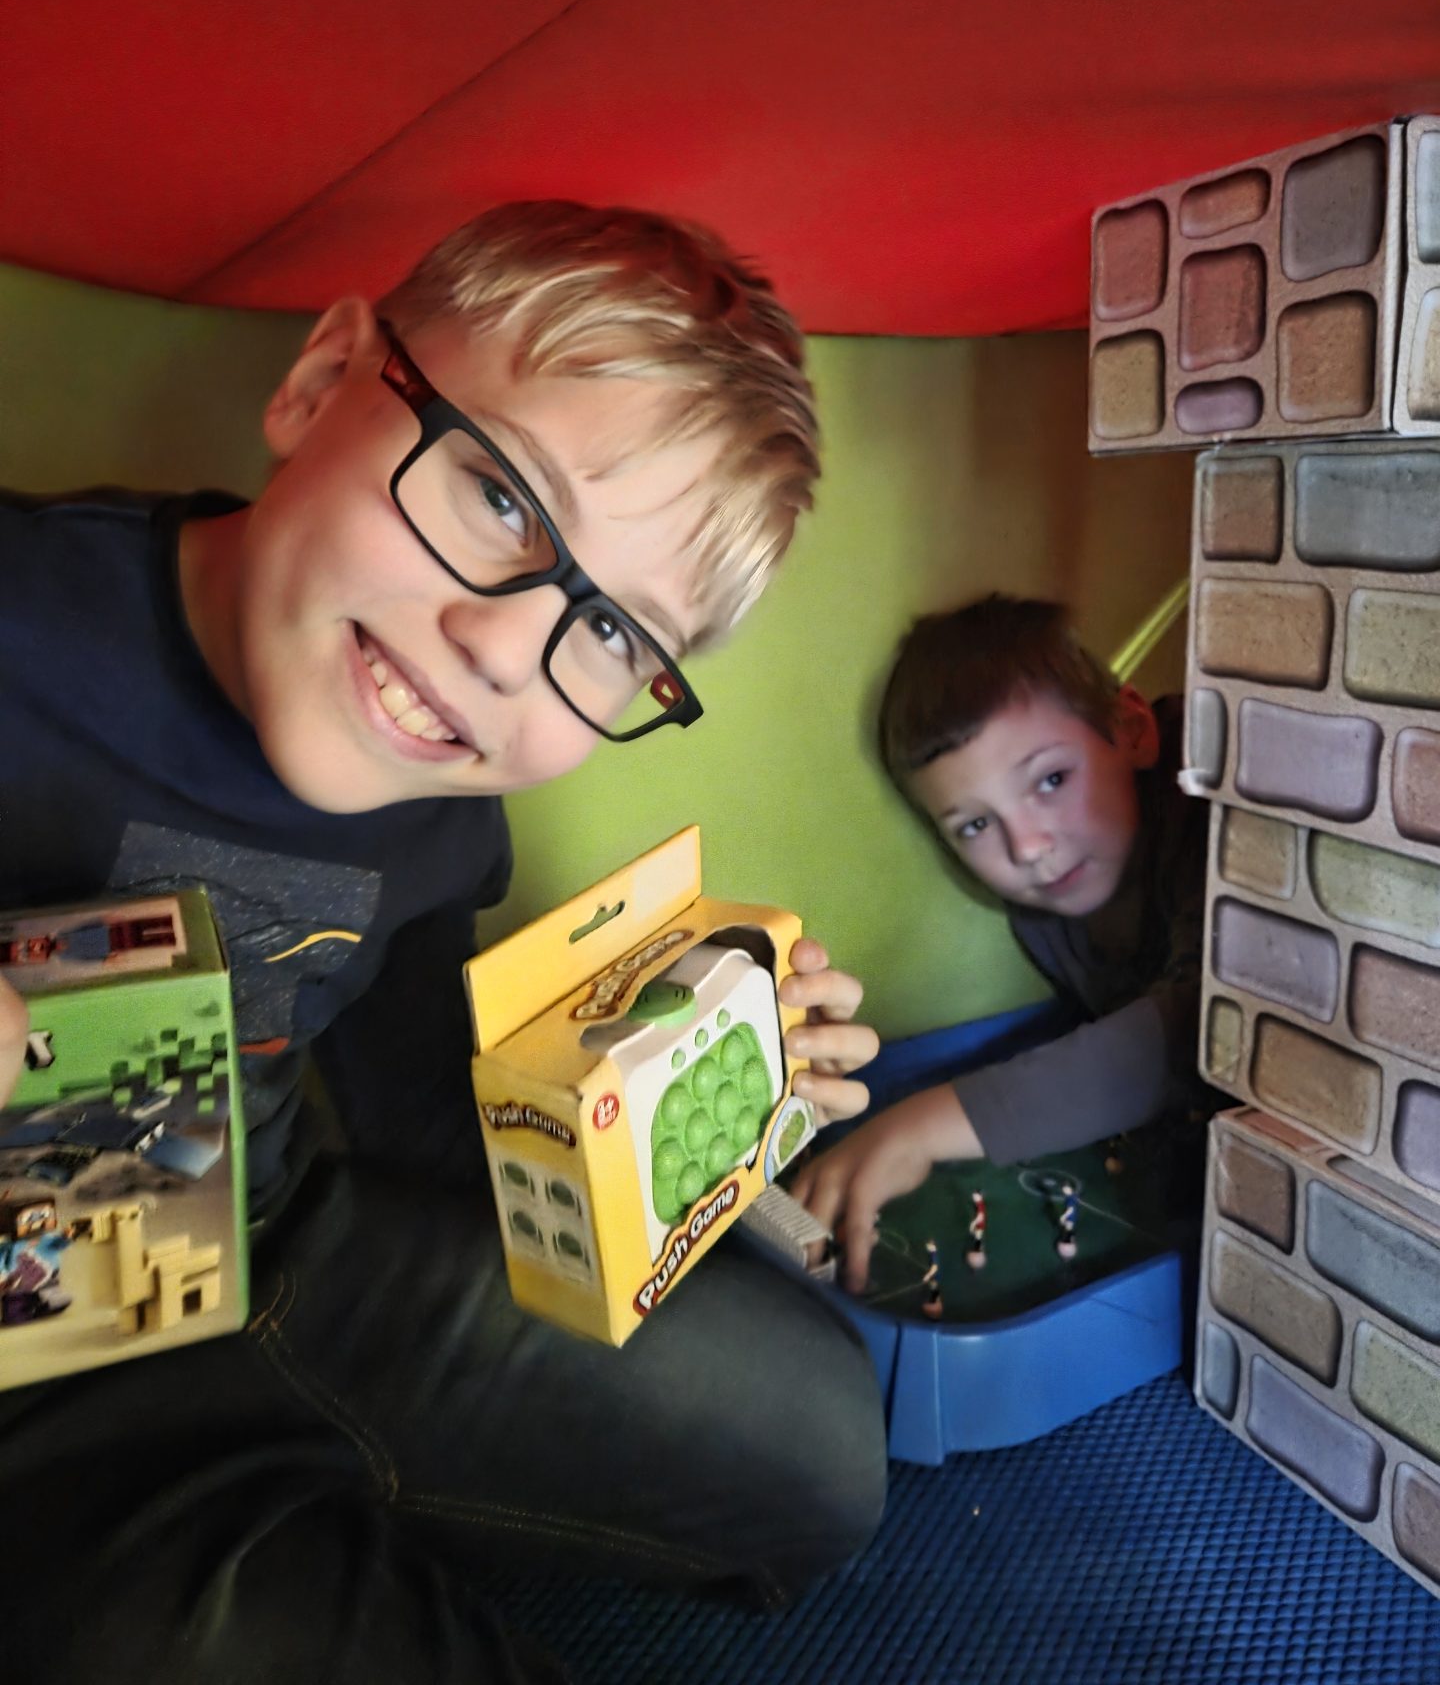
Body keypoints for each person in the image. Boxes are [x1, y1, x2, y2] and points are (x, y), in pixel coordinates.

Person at [0, 202, 888, 1683]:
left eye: (612, 635)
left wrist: (684, 1074)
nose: (502, 648)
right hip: (36, 1358)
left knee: (820, 1440)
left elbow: (420, 1107)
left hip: (286, 1246)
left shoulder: (444, 807)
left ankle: (308, 1493)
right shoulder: (26, 623)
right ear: (319, 382)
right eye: (500, 497)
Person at [792, 594, 1207, 1292]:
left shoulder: (1215, 819)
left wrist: (921, 1127)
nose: (1028, 847)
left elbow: (1206, 1028)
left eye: (1052, 779)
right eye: (976, 826)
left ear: (1134, 730)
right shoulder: (1044, 907)